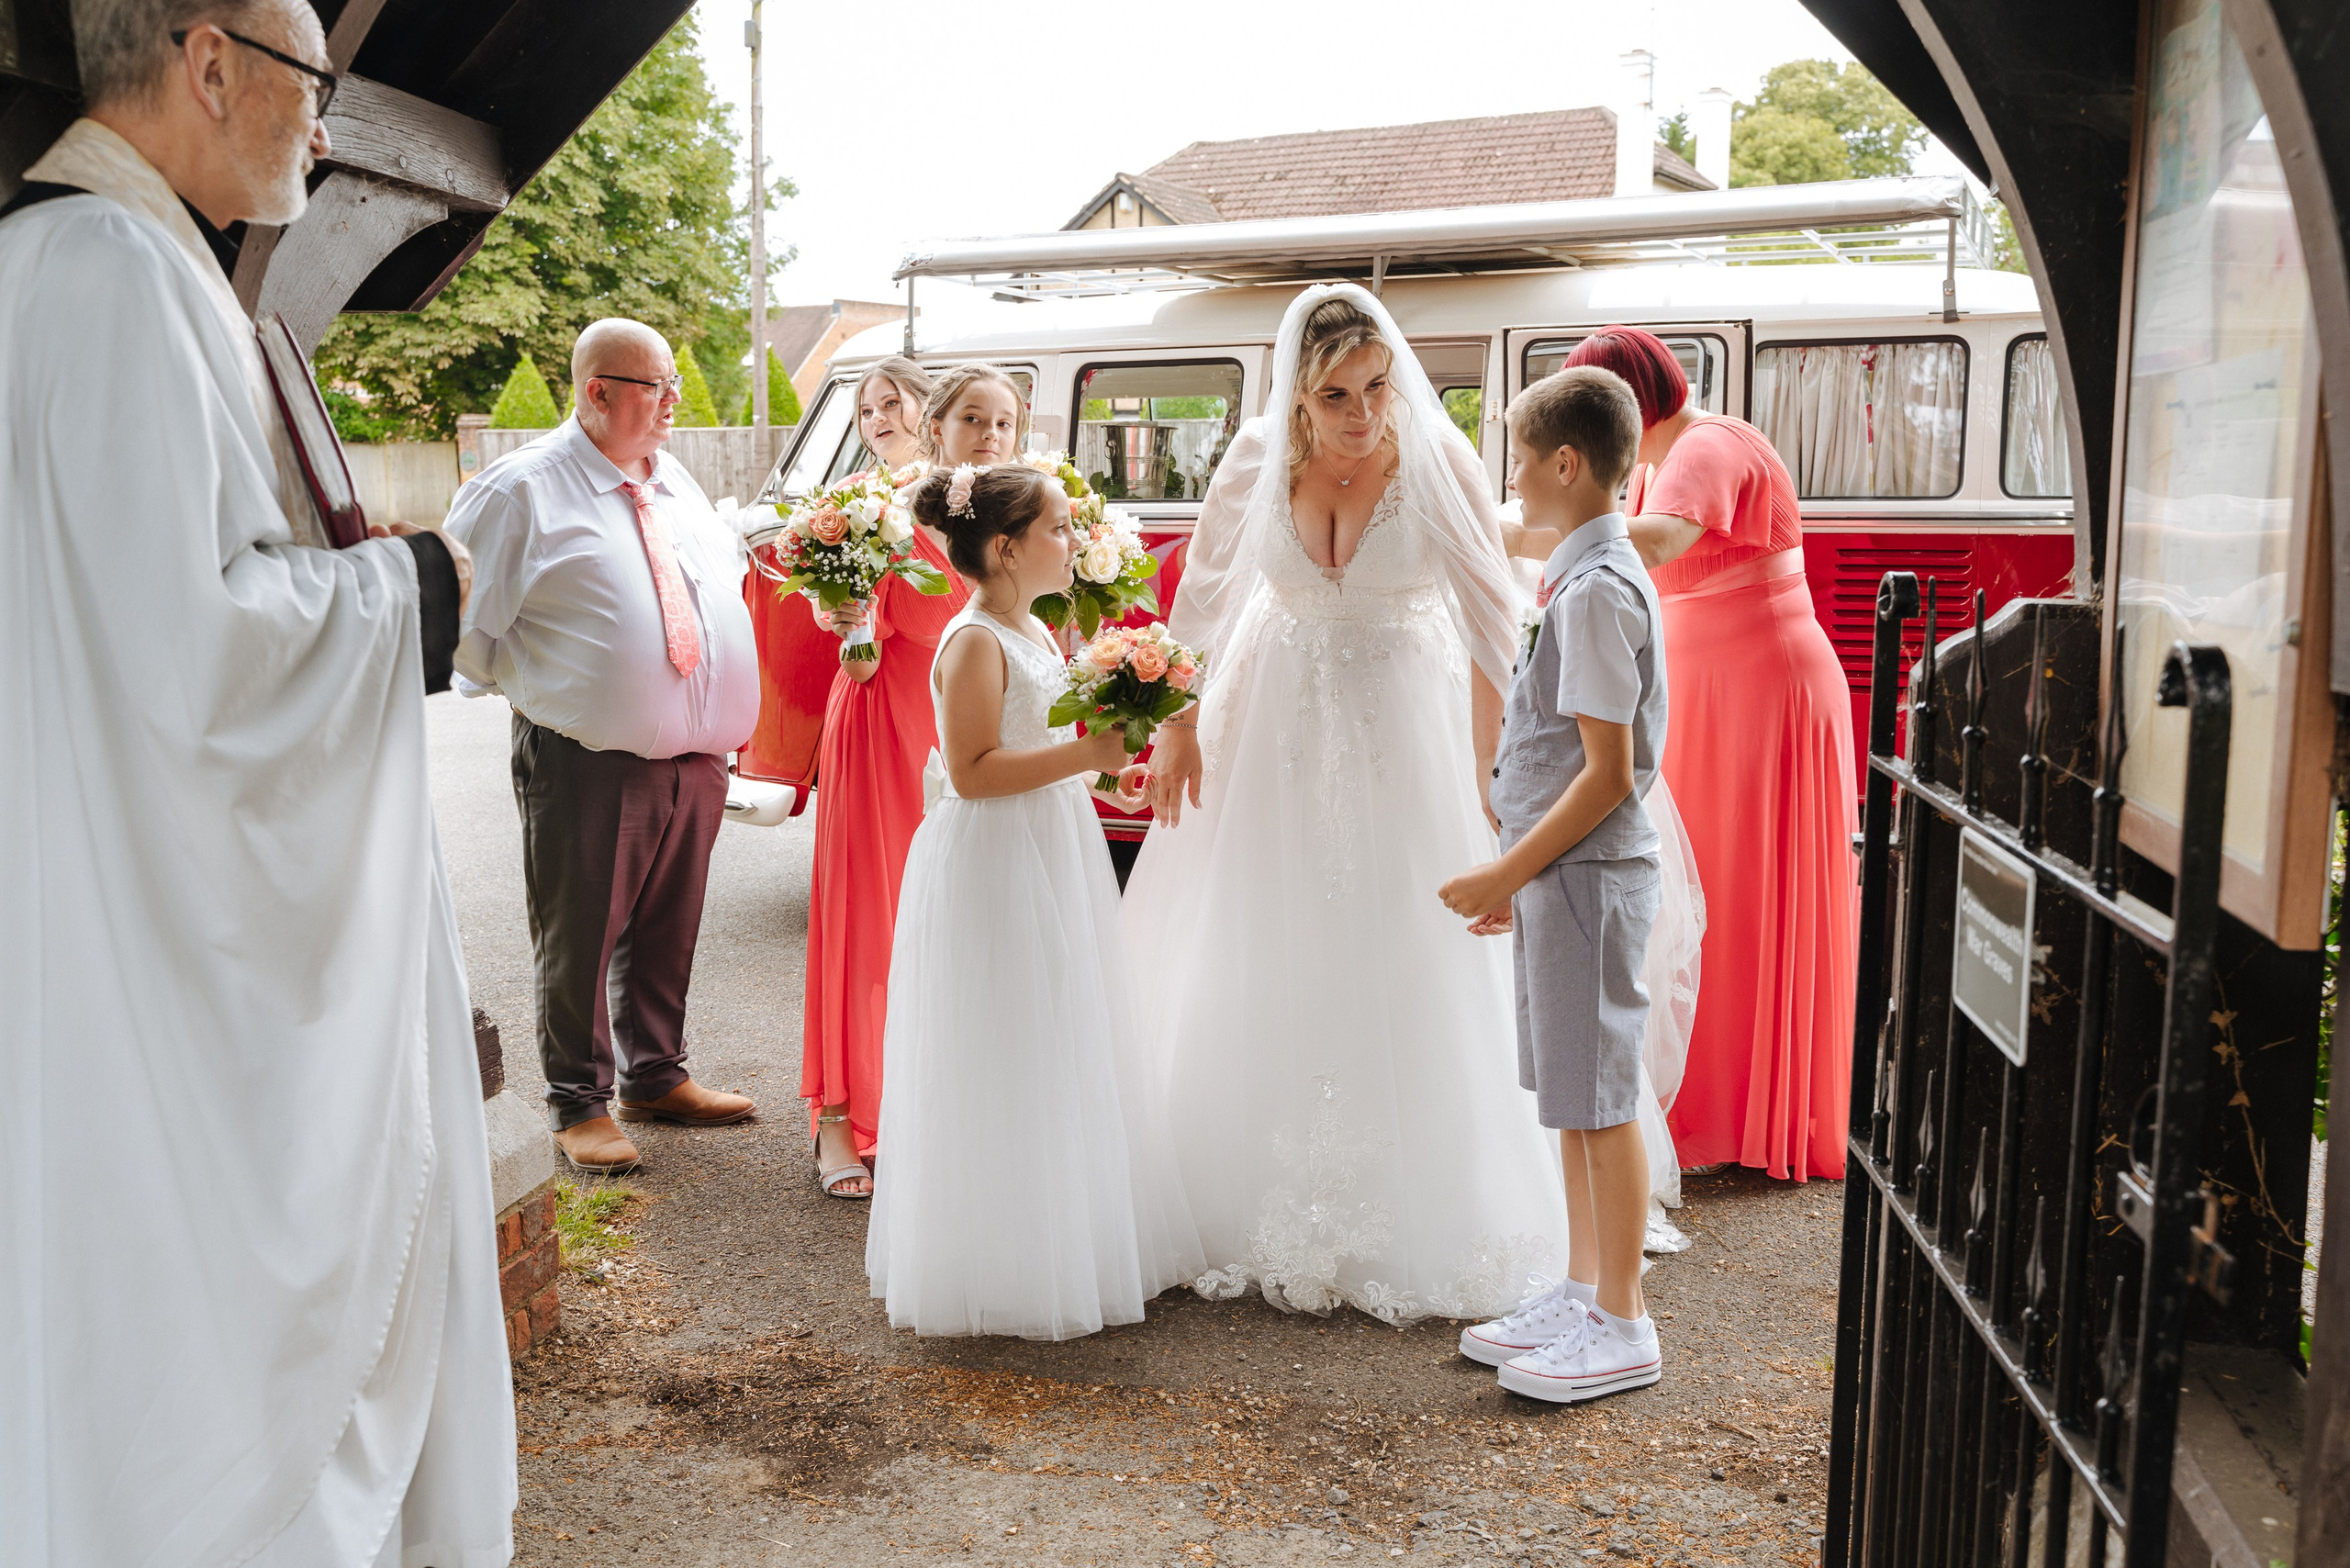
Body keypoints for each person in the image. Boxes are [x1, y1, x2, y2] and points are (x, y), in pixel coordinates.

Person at [0, 5, 514, 1562]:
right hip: (146, 921)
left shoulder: (84, 266)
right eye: (313, 79)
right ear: (208, 61)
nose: (327, 123)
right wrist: (419, 588)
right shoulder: (109, 276)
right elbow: (196, 657)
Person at [1127, 285, 1572, 1324]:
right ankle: (1234, 1182)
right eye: (1336, 396)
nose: (1363, 413)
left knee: (1404, 932)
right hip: (1270, 726)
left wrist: (1497, 776)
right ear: (1297, 393)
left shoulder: (1436, 458)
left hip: (1403, 728)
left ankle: (1429, 1192)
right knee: (1260, 931)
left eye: (1375, 389)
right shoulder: (1253, 460)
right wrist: (1177, 726)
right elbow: (1200, 599)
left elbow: (1491, 627)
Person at [865, 465, 1202, 1338]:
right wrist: (1084, 757)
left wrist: (1106, 779)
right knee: (1003, 1039)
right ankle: (997, 1257)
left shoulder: (1034, 628)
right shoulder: (974, 640)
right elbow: (974, 773)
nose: (1074, 541)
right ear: (1008, 549)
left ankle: (1058, 1235)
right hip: (993, 858)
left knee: (1055, 1032)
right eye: (1058, 528)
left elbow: (1036, 746)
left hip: (1046, 843)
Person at [448, 318, 762, 1175]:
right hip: (586, 758)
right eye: (659, 386)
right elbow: (466, 630)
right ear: (597, 391)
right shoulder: (520, 490)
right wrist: (562, 691)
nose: (675, 402)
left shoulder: (671, 479)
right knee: (580, 933)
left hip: (695, 758)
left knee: (669, 926)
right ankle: (578, 1102)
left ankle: (655, 1076)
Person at [1561, 326, 1857, 1183]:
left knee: (1737, 885)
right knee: (1707, 890)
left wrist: (1516, 533)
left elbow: (1654, 545)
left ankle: (1741, 1111)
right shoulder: (1657, 461)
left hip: (1758, 689)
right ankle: (1716, 1099)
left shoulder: (1708, 445)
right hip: (1716, 690)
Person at [1441, 368, 1667, 1400]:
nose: (1514, 481)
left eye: (1521, 461)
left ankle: (1622, 1319)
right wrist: (1522, 878)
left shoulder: (1598, 591)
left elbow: (1609, 772)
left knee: (1602, 1099)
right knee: (1573, 1095)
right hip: (1561, 877)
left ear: (1566, 464)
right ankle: (1583, 1289)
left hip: (1585, 876)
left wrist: (1508, 865)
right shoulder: (1577, 580)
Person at [800, 363, 1013, 1198]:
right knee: (871, 917)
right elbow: (846, 635)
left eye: (894, 401)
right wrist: (844, 614)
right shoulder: (872, 509)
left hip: (971, 727)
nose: (881, 417)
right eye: (868, 409)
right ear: (941, 425)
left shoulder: (1008, 508)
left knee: (961, 920)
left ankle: (939, 1107)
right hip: (885, 721)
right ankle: (840, 1118)